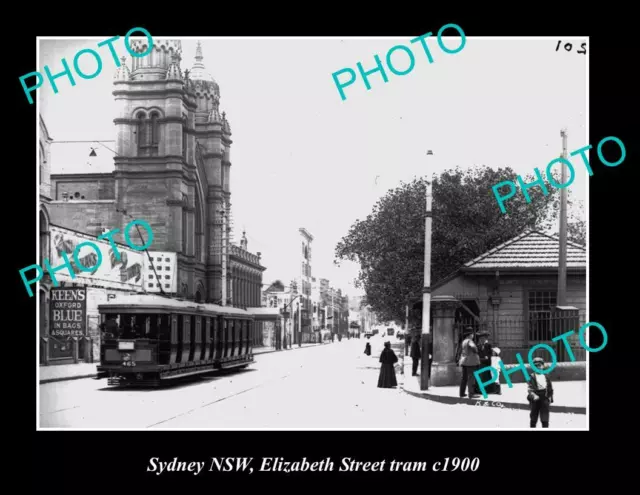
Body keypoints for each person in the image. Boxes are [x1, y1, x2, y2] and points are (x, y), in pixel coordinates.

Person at [528, 356, 554, 428]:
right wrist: (533, 395)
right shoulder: (532, 376)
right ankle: (532, 426)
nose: (538, 367)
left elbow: (550, 387)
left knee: (545, 416)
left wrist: (550, 397)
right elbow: (530, 388)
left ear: (543, 366)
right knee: (534, 415)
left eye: (539, 365)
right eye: (536, 366)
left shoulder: (546, 375)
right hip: (535, 397)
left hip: (544, 396)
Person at [458, 327, 480, 398]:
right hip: (470, 362)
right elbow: (474, 348)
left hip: (464, 361)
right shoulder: (470, 341)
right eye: (472, 334)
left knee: (464, 378)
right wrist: (476, 349)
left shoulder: (464, 341)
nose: (473, 335)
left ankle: (461, 393)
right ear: (470, 334)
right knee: (471, 378)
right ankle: (471, 394)